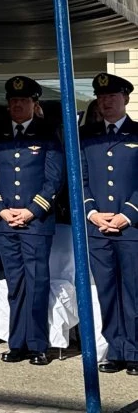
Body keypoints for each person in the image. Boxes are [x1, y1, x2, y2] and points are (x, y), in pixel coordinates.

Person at [0, 76, 62, 366]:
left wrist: (31, 211)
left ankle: (39, 345)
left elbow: (54, 179)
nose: (17, 105)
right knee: (15, 284)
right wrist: (1, 210)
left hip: (36, 224)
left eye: (23, 101)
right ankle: (17, 343)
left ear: (34, 104)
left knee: (37, 283)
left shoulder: (47, 134)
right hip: (6, 224)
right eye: (13, 101)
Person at [81, 72, 138, 374]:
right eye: (102, 98)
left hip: (131, 228)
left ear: (125, 99)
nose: (106, 102)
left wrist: (128, 214)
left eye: (112, 97)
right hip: (98, 228)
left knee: (133, 293)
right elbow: (82, 180)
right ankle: (115, 350)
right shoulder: (87, 136)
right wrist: (92, 212)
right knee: (107, 292)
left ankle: (135, 351)